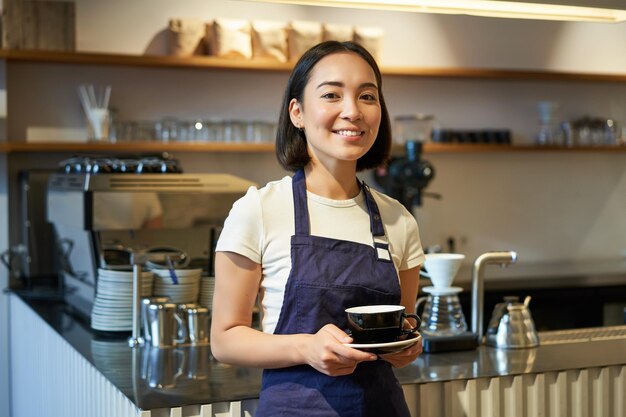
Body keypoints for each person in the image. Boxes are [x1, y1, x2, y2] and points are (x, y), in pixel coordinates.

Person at [211, 40, 425, 417]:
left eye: (367, 96)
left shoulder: (399, 220)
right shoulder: (258, 211)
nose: (352, 111)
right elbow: (225, 340)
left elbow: (402, 328)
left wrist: (407, 346)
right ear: (297, 112)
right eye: (331, 95)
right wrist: (305, 348)